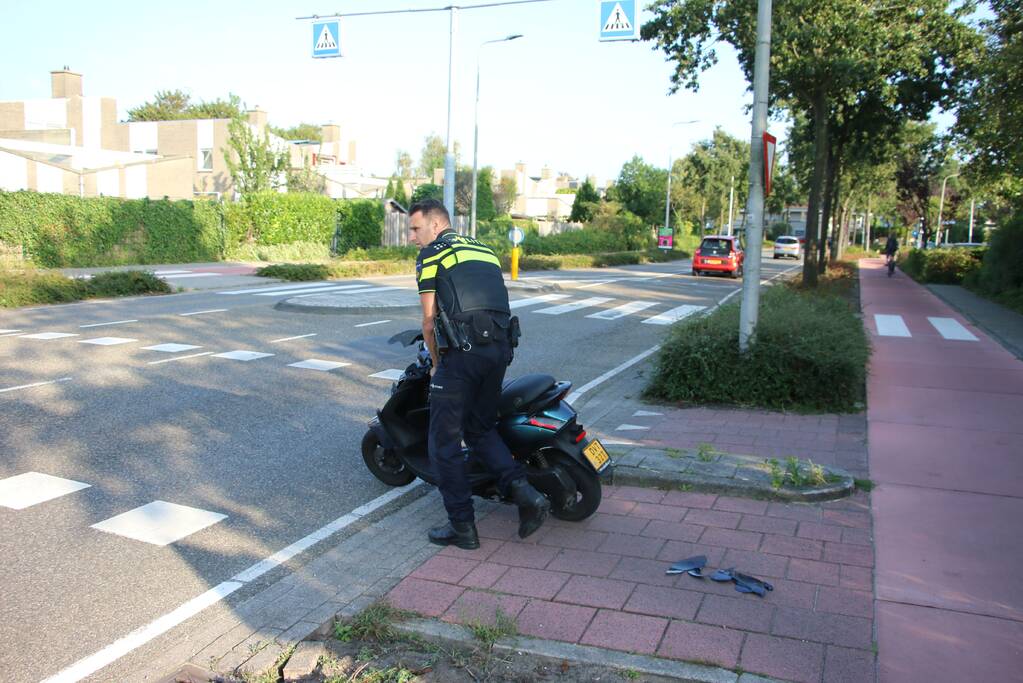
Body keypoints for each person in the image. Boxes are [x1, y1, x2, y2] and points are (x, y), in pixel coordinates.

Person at [409, 199, 549, 550]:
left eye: (415, 229)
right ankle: (526, 495)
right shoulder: (483, 249)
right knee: (479, 428)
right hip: (499, 351)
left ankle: (463, 527)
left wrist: (437, 363)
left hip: (462, 356)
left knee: (443, 444)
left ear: (436, 226)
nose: (412, 237)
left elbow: (429, 320)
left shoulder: (431, 255)